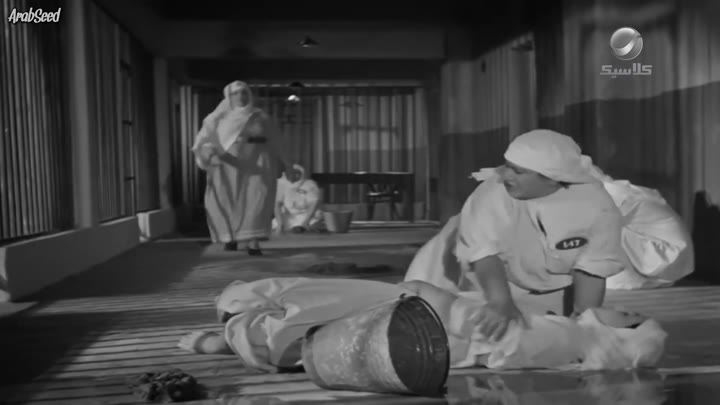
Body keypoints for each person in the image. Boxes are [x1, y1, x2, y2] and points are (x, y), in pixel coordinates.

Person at [404, 129, 628, 341]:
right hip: (482, 277)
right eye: (507, 166)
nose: (506, 175)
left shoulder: (598, 208)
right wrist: (500, 301)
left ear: (552, 178)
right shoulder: (491, 194)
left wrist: (585, 322)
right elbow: (484, 253)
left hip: (550, 287)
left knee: (539, 340)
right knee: (437, 322)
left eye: (518, 171)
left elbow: (593, 268)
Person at [177, 278, 666, 372]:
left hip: (428, 327)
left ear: (622, 336)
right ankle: (244, 328)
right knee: (329, 326)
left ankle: (240, 327)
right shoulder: (571, 338)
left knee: (330, 307)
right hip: (426, 331)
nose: (620, 308)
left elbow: (497, 335)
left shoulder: (570, 338)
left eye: (629, 316)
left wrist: (439, 299)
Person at [191, 81, 301, 255]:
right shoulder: (216, 119)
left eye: (243, 92)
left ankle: (253, 242)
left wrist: (288, 164)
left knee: (257, 200)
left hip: (257, 164)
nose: (240, 96)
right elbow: (202, 142)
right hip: (227, 166)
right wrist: (210, 155)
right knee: (230, 202)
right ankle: (231, 238)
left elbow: (278, 141)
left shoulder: (261, 117)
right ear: (228, 96)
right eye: (235, 93)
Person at [272, 165, 324, 234]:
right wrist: (280, 223)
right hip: (290, 216)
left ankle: (303, 228)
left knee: (314, 222)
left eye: (297, 173)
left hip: (307, 215)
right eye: (292, 173)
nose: (294, 175)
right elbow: (277, 205)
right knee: (275, 223)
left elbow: (314, 204)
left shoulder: (310, 184)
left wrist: (306, 222)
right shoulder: (281, 184)